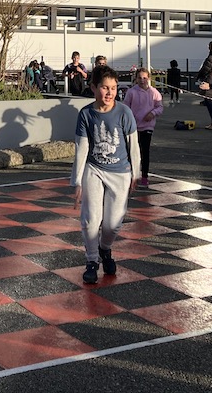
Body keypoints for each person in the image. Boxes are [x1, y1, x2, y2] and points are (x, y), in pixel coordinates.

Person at [71, 64, 140, 284]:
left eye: (113, 88)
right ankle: (92, 261)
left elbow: (134, 146)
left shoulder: (124, 112)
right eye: (104, 87)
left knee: (112, 223)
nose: (110, 93)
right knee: (91, 219)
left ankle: (105, 248)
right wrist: (77, 181)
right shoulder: (86, 114)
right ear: (93, 87)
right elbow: (82, 148)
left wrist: (135, 174)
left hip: (120, 173)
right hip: (94, 170)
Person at [123, 66, 163, 188]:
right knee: (132, 151)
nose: (142, 80)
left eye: (144, 78)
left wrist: (152, 113)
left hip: (147, 126)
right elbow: (126, 107)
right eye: (139, 78)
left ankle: (144, 176)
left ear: (149, 78)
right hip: (134, 127)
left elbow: (160, 107)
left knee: (145, 151)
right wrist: (128, 120)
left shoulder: (154, 93)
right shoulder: (131, 92)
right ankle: (132, 174)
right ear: (136, 79)